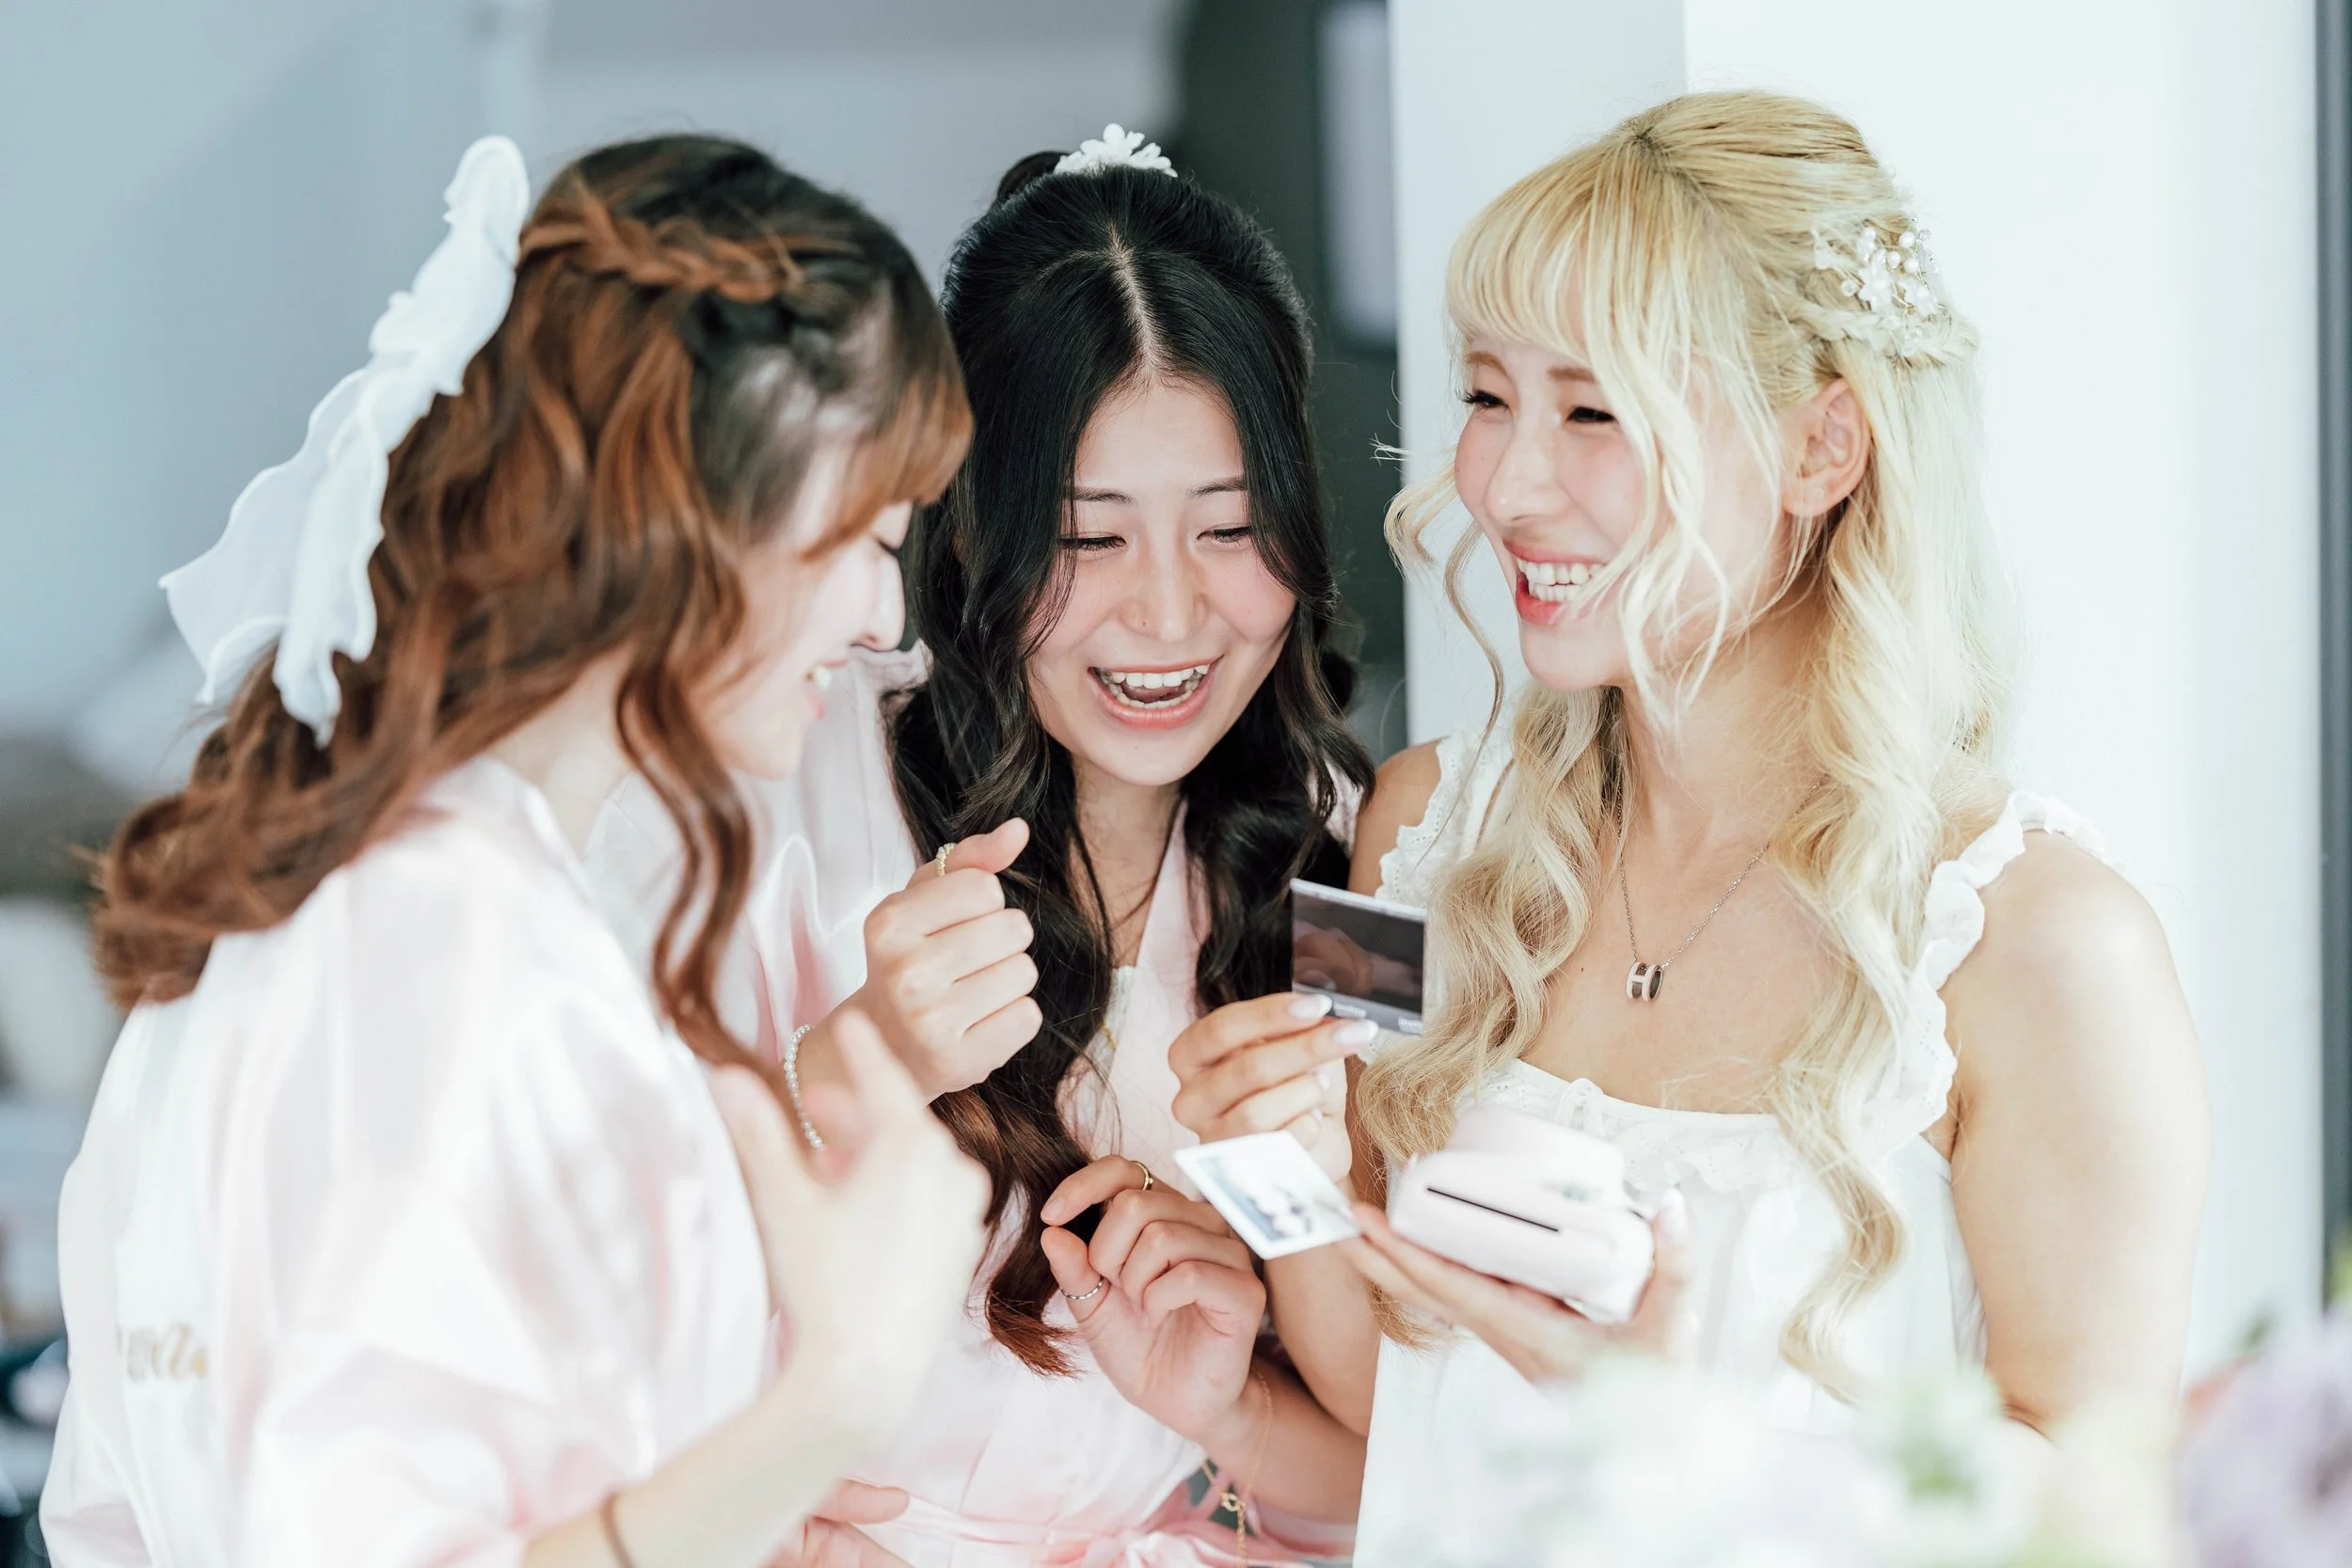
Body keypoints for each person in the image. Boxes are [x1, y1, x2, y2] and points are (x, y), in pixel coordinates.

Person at [1163, 91, 2210, 1565]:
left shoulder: (2047, 949)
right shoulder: (1402, 837)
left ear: (1821, 448)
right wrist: (1263, 1170)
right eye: (1485, 395)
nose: (1509, 485)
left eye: (1595, 410)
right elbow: (1388, 1370)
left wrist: (1690, 1443)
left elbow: (2110, 1517)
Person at [43, 133, 991, 1568]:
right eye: (862, 535)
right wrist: (830, 1396)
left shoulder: (393, 878)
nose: (878, 614)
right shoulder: (442, 945)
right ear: (692, 521)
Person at [591, 125, 1371, 1565]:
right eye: (1089, 539)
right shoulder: (785, 777)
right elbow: (560, 1257)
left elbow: (1393, 1459)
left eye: (1228, 527)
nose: (1170, 618)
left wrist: (1230, 1380)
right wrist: (855, 1061)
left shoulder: (1329, 844)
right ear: (973, 534)